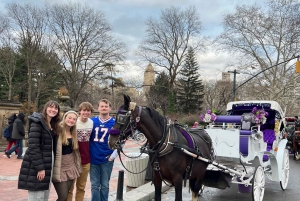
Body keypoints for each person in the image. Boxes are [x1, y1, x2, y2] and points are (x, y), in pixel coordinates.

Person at [18, 100, 60, 201]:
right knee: (36, 196)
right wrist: (40, 168)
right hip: (37, 165)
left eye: (56, 108)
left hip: (48, 162)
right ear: (45, 108)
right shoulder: (37, 123)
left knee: (44, 195)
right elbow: (33, 147)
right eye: (51, 107)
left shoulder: (52, 125)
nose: (53, 110)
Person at [90, 99, 117, 201]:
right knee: (94, 185)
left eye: (106, 106)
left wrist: (112, 156)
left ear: (110, 108)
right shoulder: (92, 121)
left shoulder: (114, 123)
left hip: (106, 158)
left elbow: (121, 142)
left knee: (105, 185)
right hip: (93, 158)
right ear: (98, 108)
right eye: (102, 106)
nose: (104, 108)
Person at [52, 110, 82, 201]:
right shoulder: (56, 131)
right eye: (69, 118)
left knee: (66, 196)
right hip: (59, 166)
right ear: (65, 118)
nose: (71, 120)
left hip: (71, 165)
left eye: (74, 119)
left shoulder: (74, 132)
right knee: (62, 197)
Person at [67, 102, 94, 201]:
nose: (86, 112)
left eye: (88, 110)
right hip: (73, 160)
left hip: (86, 160)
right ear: (80, 111)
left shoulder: (91, 123)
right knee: (69, 188)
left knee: (81, 187)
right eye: (84, 110)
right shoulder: (74, 122)